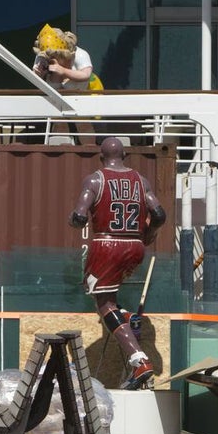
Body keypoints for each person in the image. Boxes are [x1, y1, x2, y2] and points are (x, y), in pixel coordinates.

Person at [70, 137, 166, 389]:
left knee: (103, 304)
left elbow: (79, 215)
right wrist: (150, 233)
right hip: (135, 247)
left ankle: (138, 361)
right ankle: (128, 317)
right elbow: (159, 214)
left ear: (102, 157)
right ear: (125, 155)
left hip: (107, 244)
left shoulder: (95, 180)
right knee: (110, 297)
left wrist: (76, 220)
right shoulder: (141, 182)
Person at [32, 25, 102, 91]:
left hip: (90, 90)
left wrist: (63, 71)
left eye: (54, 56)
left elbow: (86, 75)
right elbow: (50, 87)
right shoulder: (42, 56)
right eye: (48, 56)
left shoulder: (80, 54)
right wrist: (39, 74)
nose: (50, 59)